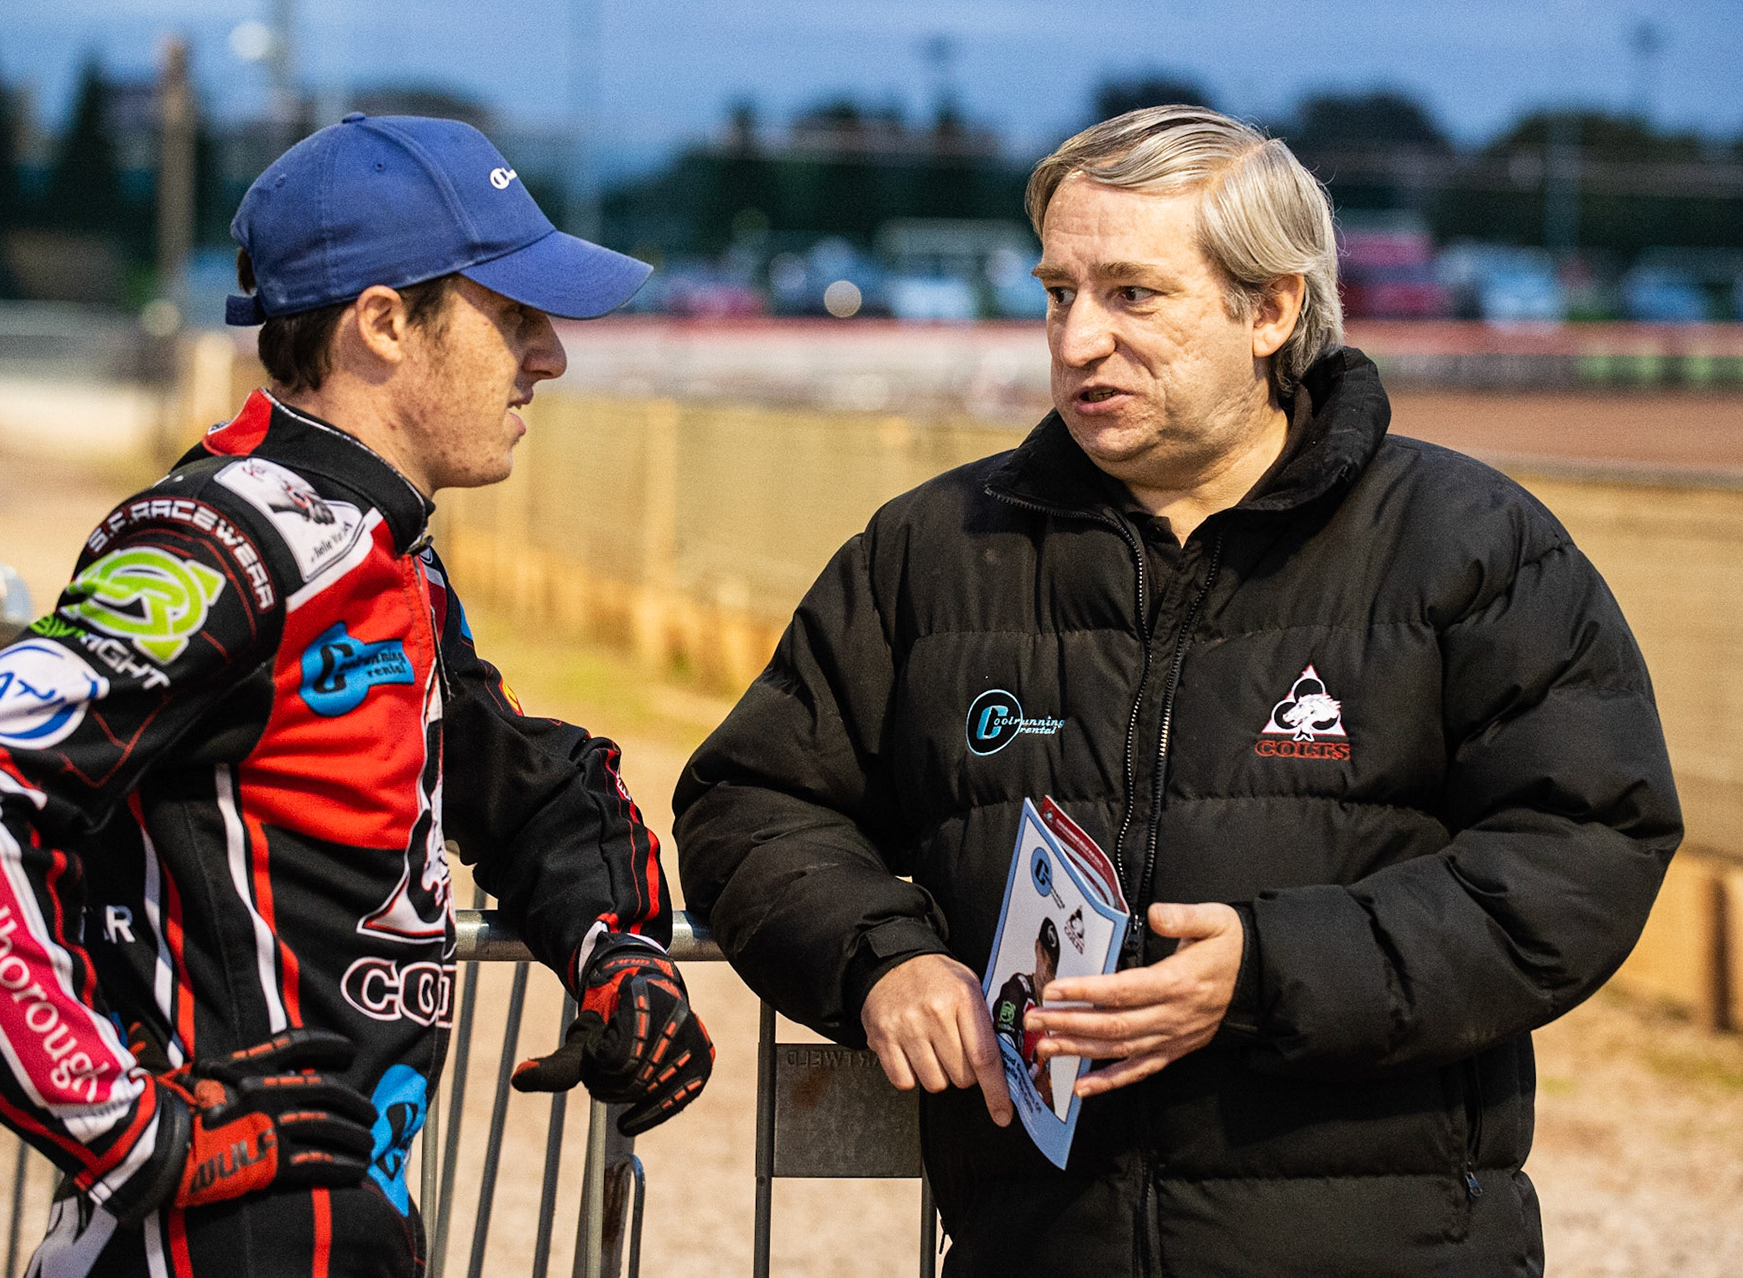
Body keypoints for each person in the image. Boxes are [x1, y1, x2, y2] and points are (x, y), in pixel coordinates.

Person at [674, 105, 1679, 1274]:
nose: (1078, 340)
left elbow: (1587, 844)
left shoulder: (1468, 545)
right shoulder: (933, 553)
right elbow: (750, 801)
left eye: (1132, 296)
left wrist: (1270, 972)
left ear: (1272, 309)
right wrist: (882, 957)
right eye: (1058, 293)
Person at [0, 114, 711, 1277]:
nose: (547, 355)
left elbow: (521, 782)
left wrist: (617, 950)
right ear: (384, 323)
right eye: (512, 316)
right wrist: (132, 1133)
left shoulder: (377, 549)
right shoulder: (225, 539)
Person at [992, 919, 1060, 1110]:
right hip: (1002, 1097)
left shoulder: (1053, 1012)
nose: (1048, 969)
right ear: (1038, 949)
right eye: (1045, 956)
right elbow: (1006, 1039)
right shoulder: (1017, 989)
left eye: (1054, 966)